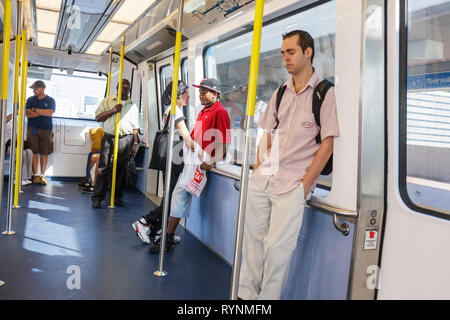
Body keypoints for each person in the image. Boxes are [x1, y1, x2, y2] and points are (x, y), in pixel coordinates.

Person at [238, 30, 340, 300]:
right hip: (265, 180)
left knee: (277, 251)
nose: (285, 58)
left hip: (292, 185)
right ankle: (244, 298)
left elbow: (328, 144)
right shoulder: (281, 91)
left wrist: (304, 186)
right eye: (283, 52)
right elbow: (267, 133)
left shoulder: (324, 94)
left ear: (308, 52)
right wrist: (260, 168)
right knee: (252, 245)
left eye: (291, 52)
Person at [148, 78, 231, 253]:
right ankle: (168, 236)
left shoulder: (220, 112)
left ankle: (168, 236)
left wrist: (212, 159)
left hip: (201, 162)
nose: (199, 95)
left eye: (204, 92)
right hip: (192, 160)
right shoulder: (203, 111)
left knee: (180, 195)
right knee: (179, 195)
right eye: (199, 92)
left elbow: (225, 141)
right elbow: (194, 137)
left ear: (215, 94)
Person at [132, 80, 193, 245]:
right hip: (174, 158)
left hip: (170, 158)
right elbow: (186, 138)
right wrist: (202, 152)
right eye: (186, 93)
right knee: (171, 197)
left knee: (169, 195)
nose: (189, 96)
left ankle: (159, 230)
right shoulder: (177, 111)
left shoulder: (169, 109)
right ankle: (144, 222)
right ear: (178, 95)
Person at [91, 79, 141, 208]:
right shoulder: (107, 101)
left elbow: (136, 127)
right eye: (122, 87)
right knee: (104, 168)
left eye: (127, 87)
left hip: (126, 139)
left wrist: (135, 143)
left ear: (129, 89)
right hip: (109, 138)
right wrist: (113, 110)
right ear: (117, 88)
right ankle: (97, 197)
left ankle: (117, 197)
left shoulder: (132, 105)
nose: (124, 89)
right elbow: (98, 118)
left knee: (121, 170)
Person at [25, 80, 56, 185]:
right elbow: (28, 114)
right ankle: (36, 175)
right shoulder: (30, 100)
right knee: (33, 152)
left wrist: (35, 110)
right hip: (32, 129)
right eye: (33, 89)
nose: (34, 91)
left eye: (36, 89)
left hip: (46, 129)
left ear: (42, 89)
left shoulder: (51, 100)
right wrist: (42, 112)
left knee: (44, 152)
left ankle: (42, 175)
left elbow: (49, 113)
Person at [5, 113, 33, 186]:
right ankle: (17, 178)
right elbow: (5, 120)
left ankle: (26, 177)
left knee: (29, 152)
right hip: (6, 146)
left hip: (13, 143)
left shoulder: (9, 125)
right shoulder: (3, 122)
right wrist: (14, 113)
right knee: (21, 153)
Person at [79, 127, 104, 194]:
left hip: (104, 151)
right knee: (91, 155)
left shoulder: (98, 131)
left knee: (94, 156)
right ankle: (89, 179)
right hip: (101, 150)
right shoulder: (100, 130)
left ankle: (93, 184)